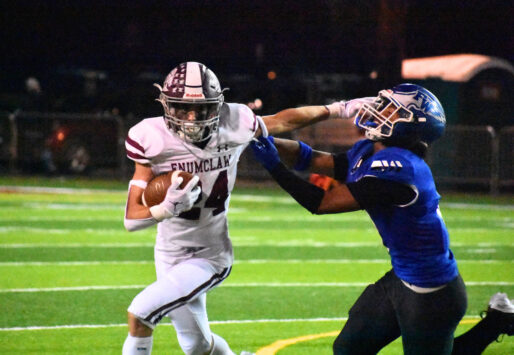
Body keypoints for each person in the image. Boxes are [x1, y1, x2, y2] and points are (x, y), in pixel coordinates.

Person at [249, 83, 514, 354]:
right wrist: (261, 140)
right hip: (401, 276)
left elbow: (322, 202)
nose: (378, 109)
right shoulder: (372, 150)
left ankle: (495, 324)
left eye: (391, 109)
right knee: (348, 349)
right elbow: (311, 159)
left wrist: (273, 165)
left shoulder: (401, 168)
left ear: (409, 125)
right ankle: (497, 321)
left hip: (432, 290)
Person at [121, 61, 364, 355]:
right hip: (168, 252)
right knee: (197, 346)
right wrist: (167, 208)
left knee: (141, 314)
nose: (193, 117)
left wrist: (340, 108)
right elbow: (132, 220)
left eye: (202, 109)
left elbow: (286, 120)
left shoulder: (235, 121)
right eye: (183, 108)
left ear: (218, 105)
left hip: (209, 255)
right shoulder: (150, 137)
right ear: (167, 105)